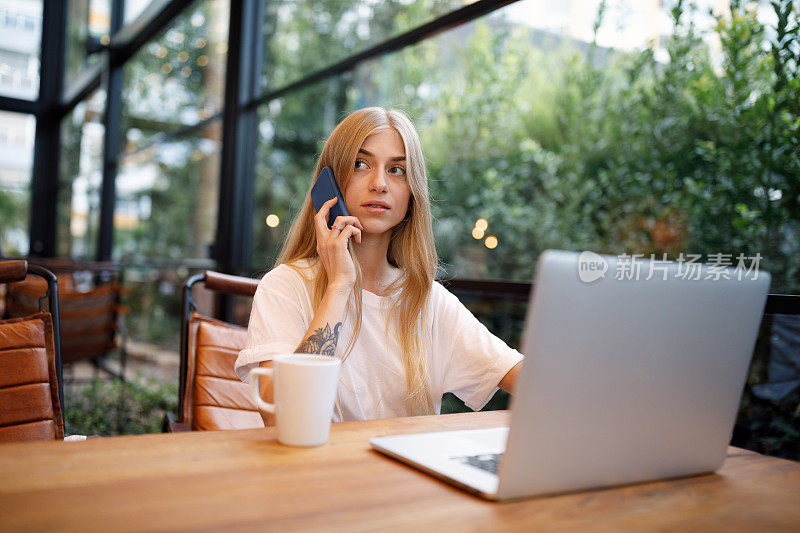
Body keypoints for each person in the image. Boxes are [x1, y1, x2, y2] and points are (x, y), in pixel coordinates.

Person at [235, 107, 522, 424]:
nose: (379, 184)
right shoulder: (285, 287)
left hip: (404, 473)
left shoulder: (428, 301)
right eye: (360, 164)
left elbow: (522, 378)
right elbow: (285, 419)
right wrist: (339, 286)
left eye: (397, 170)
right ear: (328, 186)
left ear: (412, 194)